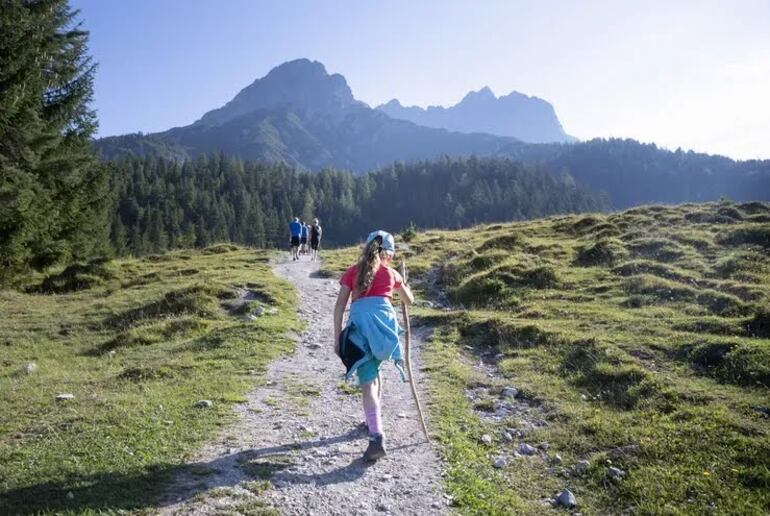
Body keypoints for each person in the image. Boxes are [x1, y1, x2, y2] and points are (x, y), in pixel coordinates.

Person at [333, 230, 414, 462]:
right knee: (376, 371)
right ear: (388, 254)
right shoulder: (391, 273)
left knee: (368, 380)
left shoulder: (351, 273)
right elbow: (409, 301)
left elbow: (339, 307)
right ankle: (372, 421)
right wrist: (404, 284)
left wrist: (337, 338)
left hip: (360, 330)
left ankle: (376, 435)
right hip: (384, 332)